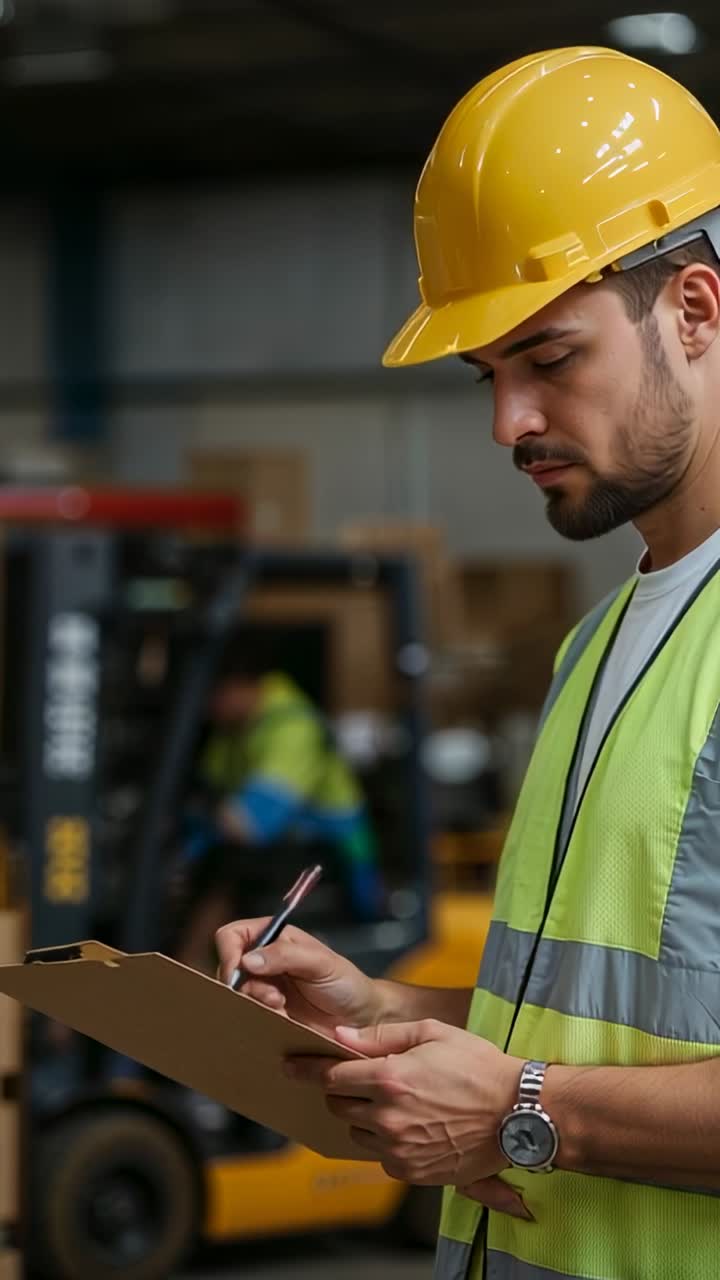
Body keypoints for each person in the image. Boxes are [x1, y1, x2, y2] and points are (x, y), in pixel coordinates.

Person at [215, 45, 720, 1280]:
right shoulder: (600, 644)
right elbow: (603, 1029)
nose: (509, 423)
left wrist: (524, 1109)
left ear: (697, 311)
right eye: (488, 376)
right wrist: (383, 1009)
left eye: (550, 358)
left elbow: (541, 1087)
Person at [176, 653, 384, 972]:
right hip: (288, 841)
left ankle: (193, 963)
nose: (208, 708)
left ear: (242, 686)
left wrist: (207, 817)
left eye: (214, 695)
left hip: (332, 847)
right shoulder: (236, 729)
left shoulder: (292, 726)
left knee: (227, 869)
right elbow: (207, 785)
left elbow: (251, 823)